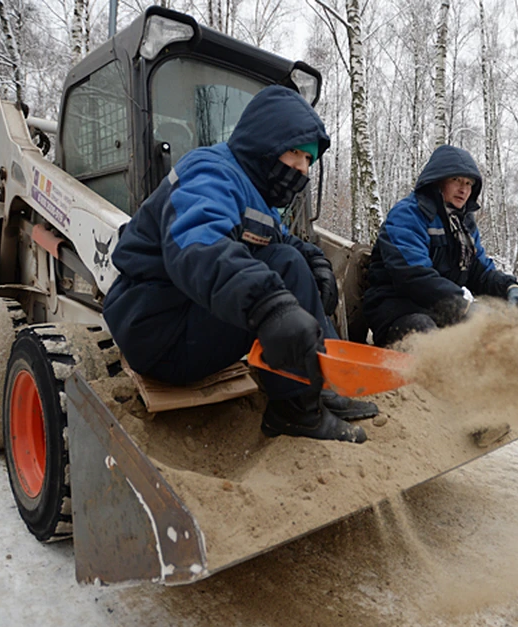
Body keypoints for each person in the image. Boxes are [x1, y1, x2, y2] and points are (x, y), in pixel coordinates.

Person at [103, 85, 377, 444]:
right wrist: (269, 305)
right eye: (295, 153)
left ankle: (317, 386)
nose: (301, 169)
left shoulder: (253, 193)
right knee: (284, 267)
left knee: (293, 260)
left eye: (309, 160)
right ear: (266, 142)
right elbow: (198, 244)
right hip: (158, 330)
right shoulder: (211, 173)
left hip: (182, 318)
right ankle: (296, 411)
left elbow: (279, 241)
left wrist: (318, 264)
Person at [362, 144, 518, 347]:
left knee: (492, 339)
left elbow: (479, 271)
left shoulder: (464, 225)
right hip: (396, 309)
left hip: (440, 310)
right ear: (438, 181)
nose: (463, 189)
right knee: (427, 337)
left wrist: (509, 288)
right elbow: (413, 275)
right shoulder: (408, 214)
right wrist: (462, 307)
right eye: (456, 180)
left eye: (469, 184)